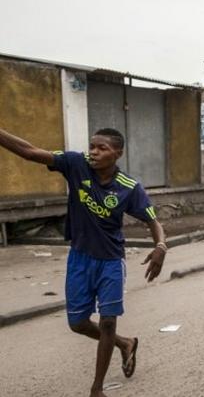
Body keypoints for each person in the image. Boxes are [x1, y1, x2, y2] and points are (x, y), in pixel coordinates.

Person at [0, 127, 166, 397]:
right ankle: (125, 344)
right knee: (77, 323)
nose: (94, 152)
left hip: (111, 261)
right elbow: (29, 152)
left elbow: (153, 221)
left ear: (118, 153)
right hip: (79, 259)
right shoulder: (76, 164)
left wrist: (160, 245)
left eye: (102, 148)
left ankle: (97, 388)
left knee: (108, 322)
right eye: (92, 146)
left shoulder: (128, 187)